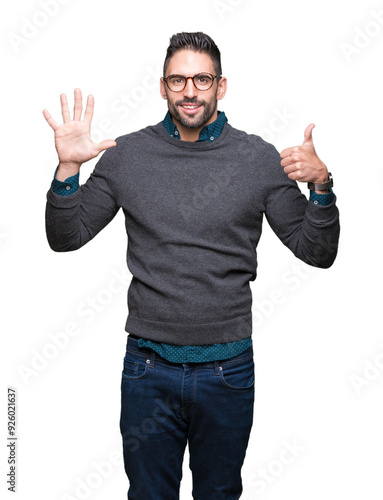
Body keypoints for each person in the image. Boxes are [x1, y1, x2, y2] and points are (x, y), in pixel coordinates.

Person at [43, 31, 340, 500]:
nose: (189, 91)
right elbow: (66, 238)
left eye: (201, 79)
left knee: (219, 494)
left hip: (228, 371)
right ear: (162, 87)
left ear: (221, 87)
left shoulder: (258, 158)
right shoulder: (128, 156)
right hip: (147, 369)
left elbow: (316, 252)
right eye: (177, 80)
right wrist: (66, 171)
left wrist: (321, 186)